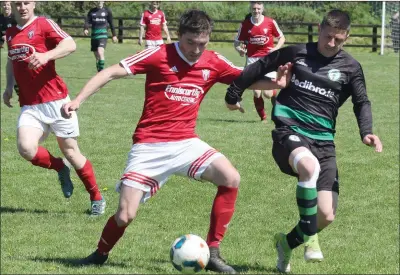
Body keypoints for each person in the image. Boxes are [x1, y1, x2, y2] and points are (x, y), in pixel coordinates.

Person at [62, 9, 291, 274]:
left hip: (185, 143)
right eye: (190, 42)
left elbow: (246, 78)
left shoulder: (212, 61)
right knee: (125, 215)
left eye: (202, 44)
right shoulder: (158, 54)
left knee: (231, 178)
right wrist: (78, 100)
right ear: (180, 35)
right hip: (148, 145)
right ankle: (100, 255)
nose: (196, 49)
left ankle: (214, 252)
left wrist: (278, 82)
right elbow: (111, 72)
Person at [225, 9, 383, 273]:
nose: (331, 43)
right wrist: (233, 93)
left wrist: (366, 131)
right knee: (308, 166)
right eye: (327, 36)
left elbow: (361, 101)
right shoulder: (296, 53)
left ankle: (286, 244)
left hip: (324, 141)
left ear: (346, 37)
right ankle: (311, 240)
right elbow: (261, 65)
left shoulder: (351, 67)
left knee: (326, 214)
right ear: (319, 29)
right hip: (289, 132)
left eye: (338, 39)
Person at [3, 1, 106, 216]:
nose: (22, 7)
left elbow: (70, 44)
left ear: (34, 4)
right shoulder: (11, 32)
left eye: (26, 2)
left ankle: (96, 197)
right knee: (26, 148)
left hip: (57, 102)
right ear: (11, 5)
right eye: (17, 3)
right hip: (30, 105)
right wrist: (8, 86)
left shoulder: (43, 24)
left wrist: (45, 55)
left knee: (71, 151)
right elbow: (11, 61)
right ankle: (60, 167)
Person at [234, 1, 285, 121]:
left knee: (267, 94)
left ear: (262, 8)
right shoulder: (245, 24)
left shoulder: (270, 22)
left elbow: (282, 37)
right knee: (256, 93)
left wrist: (276, 48)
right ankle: (263, 118)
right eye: (254, 8)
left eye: (258, 8)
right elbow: (236, 42)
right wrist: (240, 50)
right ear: (250, 9)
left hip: (268, 60)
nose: (256, 11)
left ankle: (277, 110)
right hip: (252, 60)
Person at [84, 1, 117, 72]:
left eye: (100, 1)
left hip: (103, 35)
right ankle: (99, 72)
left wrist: (114, 35)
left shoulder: (107, 11)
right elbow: (87, 21)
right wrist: (86, 29)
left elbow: (111, 23)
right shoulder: (92, 11)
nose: (99, 2)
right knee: (97, 57)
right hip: (94, 36)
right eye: (97, 1)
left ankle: (101, 72)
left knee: (100, 52)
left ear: (103, 1)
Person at [0, 1, 18, 96]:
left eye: (7, 4)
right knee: (11, 67)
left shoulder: (16, 18)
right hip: (10, 50)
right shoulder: (1, 18)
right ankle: (17, 88)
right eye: (3, 4)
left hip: (19, 47)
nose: (6, 6)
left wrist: (9, 36)